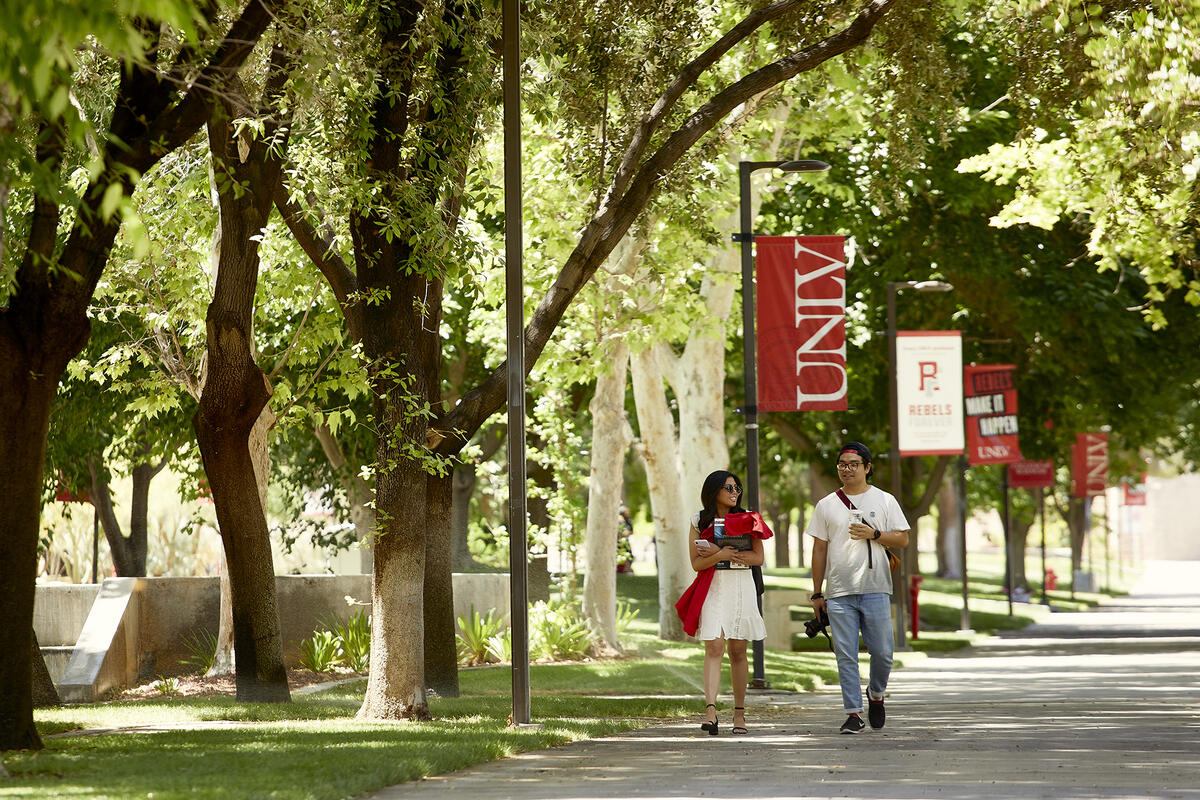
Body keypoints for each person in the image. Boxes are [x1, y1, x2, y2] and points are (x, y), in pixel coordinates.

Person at [806, 442, 910, 734]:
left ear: (867, 467)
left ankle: (876, 694)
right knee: (845, 654)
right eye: (842, 464)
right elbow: (819, 551)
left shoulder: (884, 500)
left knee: (883, 652)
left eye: (853, 464)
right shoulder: (826, 505)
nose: (847, 469)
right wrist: (817, 592)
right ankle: (853, 713)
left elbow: (902, 539)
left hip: (876, 587)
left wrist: (875, 534)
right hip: (839, 592)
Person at [680, 470, 767, 736]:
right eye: (728, 488)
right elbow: (696, 563)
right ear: (714, 490)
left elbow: (758, 557)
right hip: (714, 586)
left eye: (736, 488)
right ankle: (710, 711)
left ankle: (739, 715)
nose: (734, 493)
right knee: (714, 646)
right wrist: (720, 554)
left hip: (741, 585)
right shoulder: (698, 519)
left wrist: (726, 553)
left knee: (738, 650)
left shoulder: (750, 518)